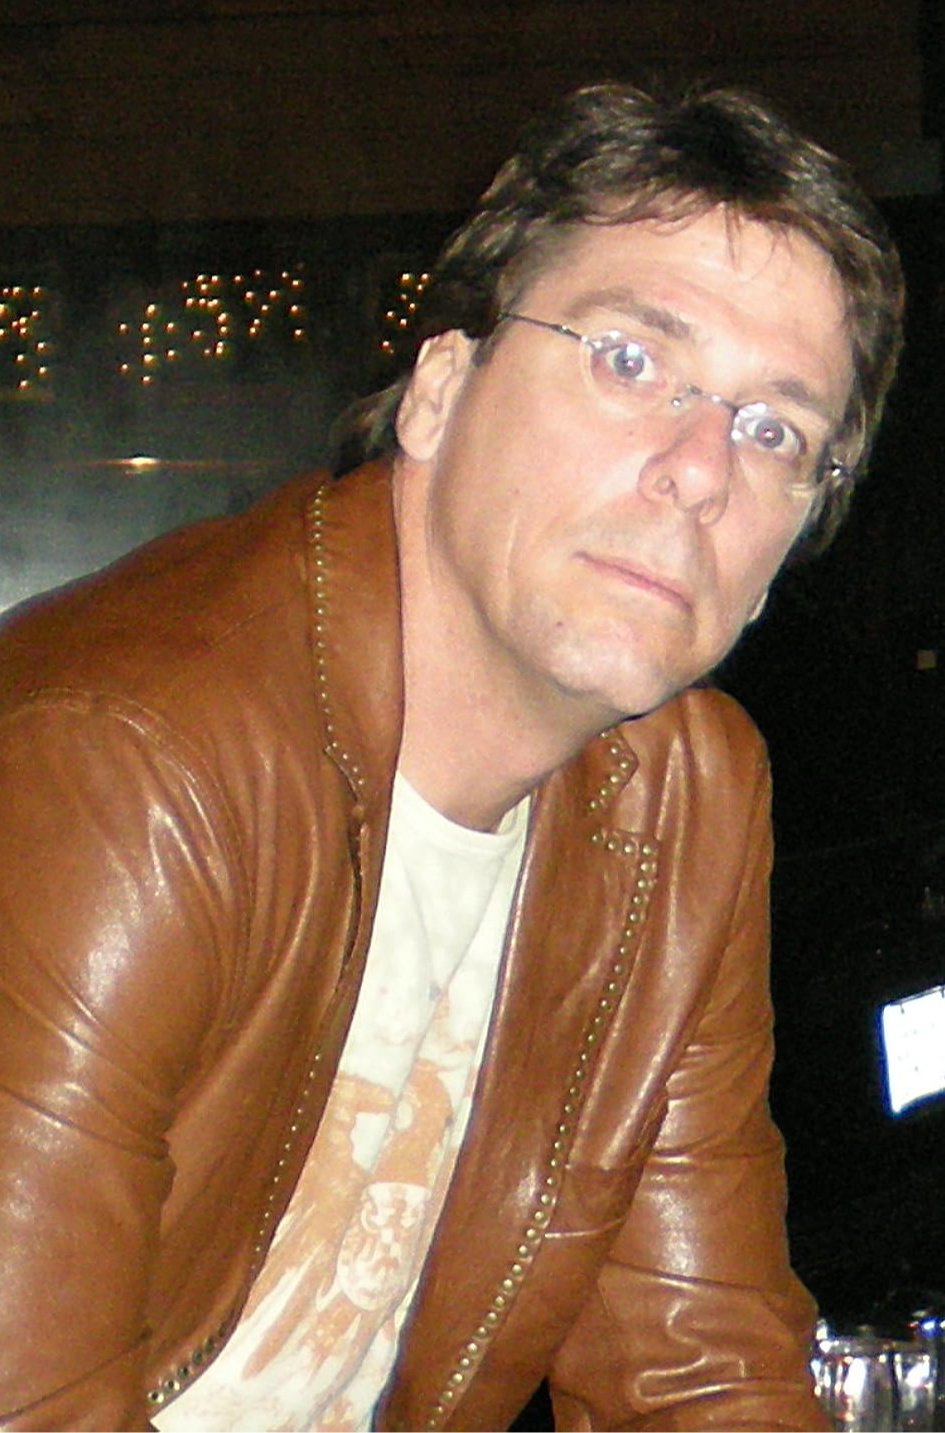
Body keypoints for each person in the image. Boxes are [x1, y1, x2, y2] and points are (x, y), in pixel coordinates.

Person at [0, 79, 903, 1432]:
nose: (700, 469)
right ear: (438, 390)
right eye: (629, 361)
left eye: (775, 429)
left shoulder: (686, 798)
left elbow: (694, 1369)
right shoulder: (131, 765)